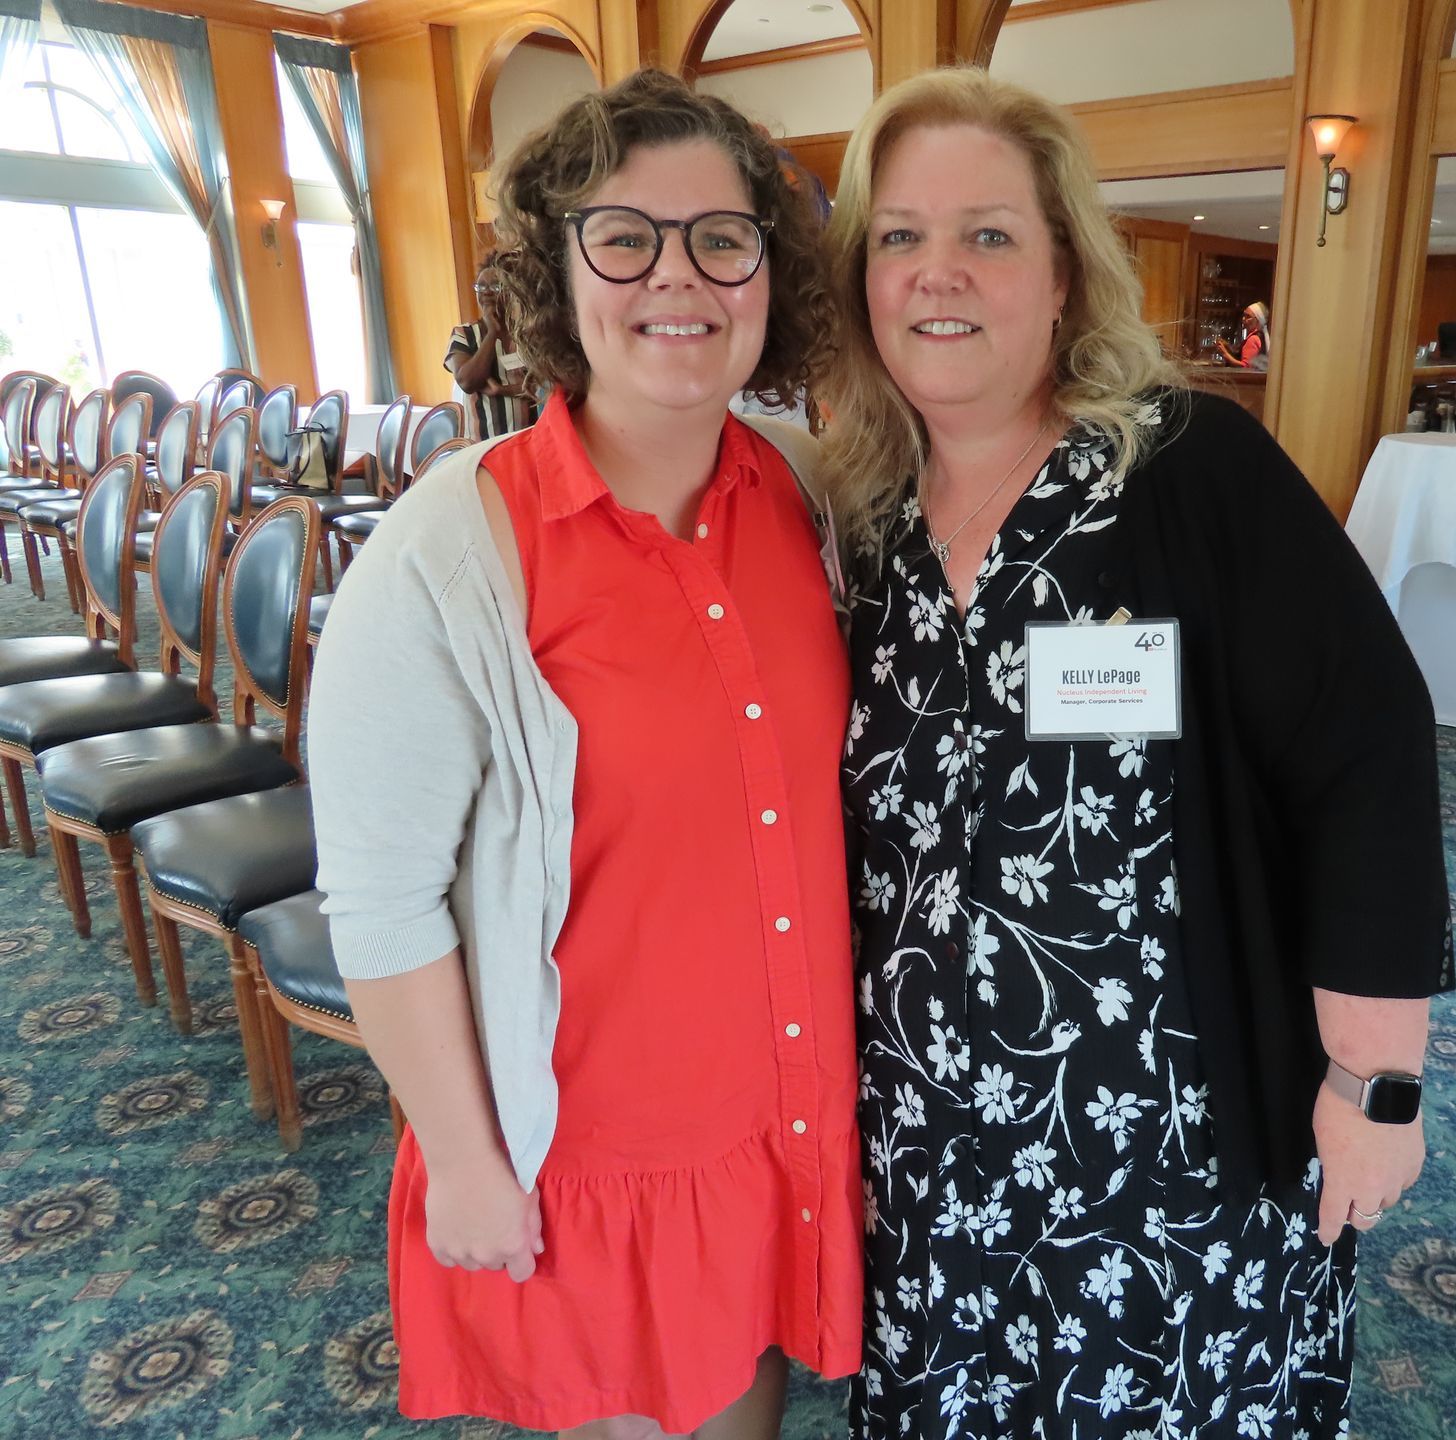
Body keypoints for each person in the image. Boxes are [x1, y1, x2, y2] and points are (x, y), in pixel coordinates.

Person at [818, 68, 1451, 1439]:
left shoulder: (1185, 472)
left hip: (1173, 1160)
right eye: (899, 236)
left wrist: (1374, 1080)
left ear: (1063, 275)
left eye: (990, 234)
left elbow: (1369, 745)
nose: (942, 273)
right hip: (931, 1163)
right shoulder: (851, 528)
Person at [308, 68, 860, 1440]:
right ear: (560, 272)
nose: (679, 277)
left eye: (722, 239)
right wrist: (465, 1164)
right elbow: (378, 905)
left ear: (768, 272)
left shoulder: (801, 491)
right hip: (597, 1163)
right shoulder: (452, 548)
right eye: (625, 235)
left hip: (781, 1126)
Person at [445, 257, 536, 437]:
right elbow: (467, 382)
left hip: (528, 440)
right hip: (485, 446)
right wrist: (492, 333)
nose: (486, 293)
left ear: (512, 291)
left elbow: (540, 388)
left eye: (495, 286)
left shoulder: (526, 335)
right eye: (481, 287)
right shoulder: (464, 335)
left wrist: (502, 390)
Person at [1214, 297, 1270, 370]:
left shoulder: (1253, 339)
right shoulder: (1260, 336)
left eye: (1248, 317)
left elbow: (1245, 367)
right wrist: (1228, 347)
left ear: (1257, 320)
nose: (1243, 319)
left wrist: (1225, 354)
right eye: (1244, 316)